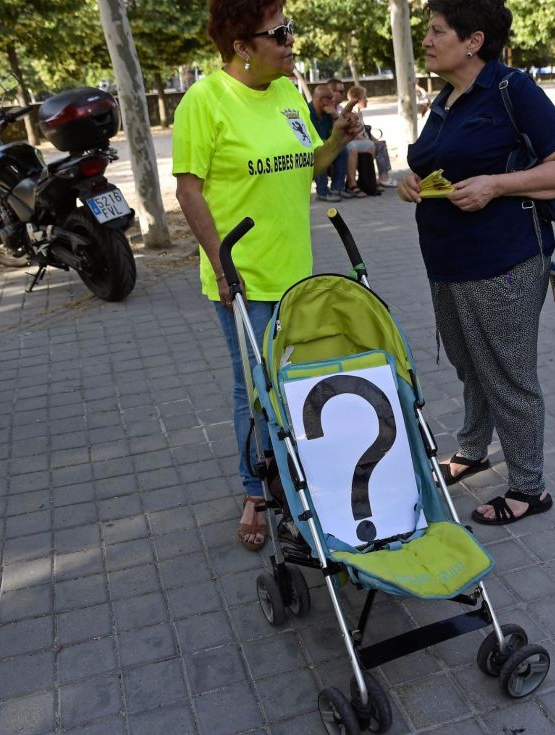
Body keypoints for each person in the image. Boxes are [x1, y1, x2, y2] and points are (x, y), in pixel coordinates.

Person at [173, 0, 362, 550]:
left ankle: (296, 472)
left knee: (293, 383)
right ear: (241, 46)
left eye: (290, 29)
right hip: (244, 277)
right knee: (253, 388)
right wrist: (220, 264)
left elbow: (308, 166)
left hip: (295, 271)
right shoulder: (203, 102)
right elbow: (188, 191)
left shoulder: (286, 92)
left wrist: (338, 141)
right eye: (278, 33)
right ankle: (255, 489)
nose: (290, 41)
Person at [397, 0, 555, 526]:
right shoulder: (446, 97)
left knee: (508, 374)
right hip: (448, 262)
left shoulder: (511, 89)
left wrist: (497, 185)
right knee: (469, 365)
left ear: (473, 40)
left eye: (437, 31)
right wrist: (409, 182)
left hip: (503, 261)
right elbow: (433, 163)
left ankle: (530, 486)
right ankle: (473, 449)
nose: (428, 41)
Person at [343, 85, 397, 194]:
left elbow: (364, 131)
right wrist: (370, 141)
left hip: (362, 141)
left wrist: (374, 139)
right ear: (356, 99)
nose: (366, 99)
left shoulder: (359, 112)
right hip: (355, 142)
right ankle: (380, 177)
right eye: (364, 97)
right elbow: (354, 133)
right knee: (374, 145)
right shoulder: (352, 113)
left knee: (381, 144)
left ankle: (383, 174)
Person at [307, 84, 349, 201]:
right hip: (309, 147)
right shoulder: (306, 111)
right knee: (320, 151)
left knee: (343, 151)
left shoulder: (328, 114)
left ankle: (337, 188)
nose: (333, 100)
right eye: (330, 98)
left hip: (324, 143)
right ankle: (322, 192)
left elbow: (335, 134)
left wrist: (335, 116)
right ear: (321, 100)